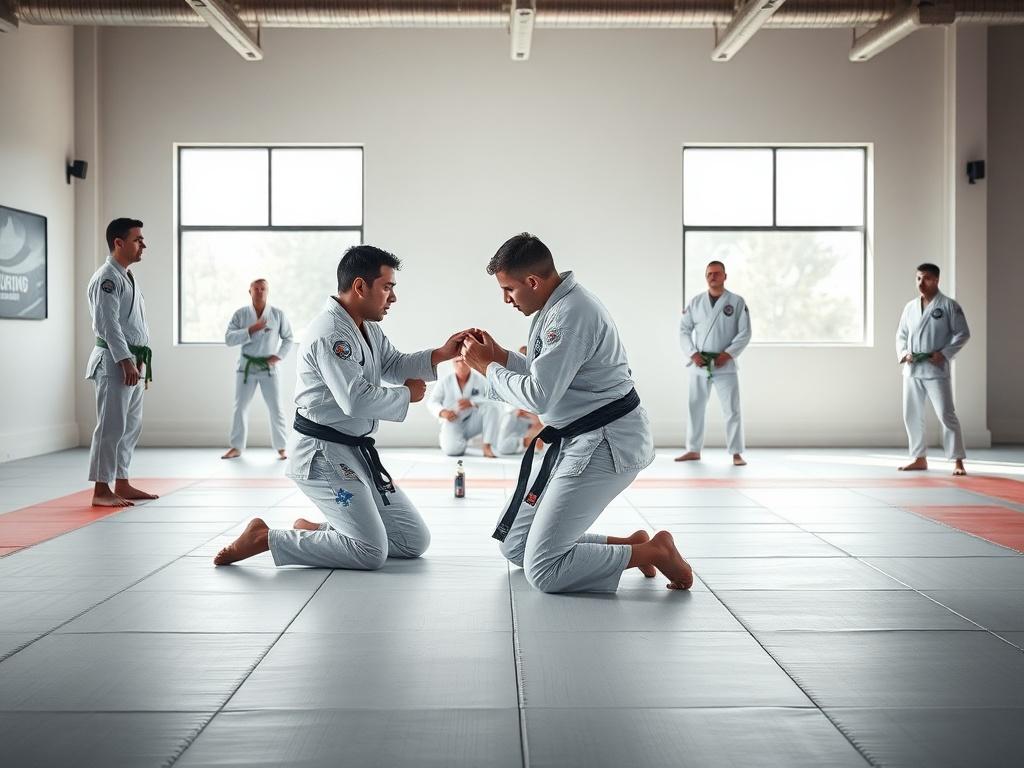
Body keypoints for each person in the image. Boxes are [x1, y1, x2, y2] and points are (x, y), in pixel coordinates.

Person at [462, 233, 693, 593]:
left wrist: (488, 368)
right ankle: (633, 547)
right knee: (514, 545)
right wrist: (501, 357)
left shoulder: (571, 313)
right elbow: (552, 376)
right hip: (578, 436)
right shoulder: (556, 306)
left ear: (533, 281)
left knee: (544, 571)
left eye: (508, 289)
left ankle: (656, 551)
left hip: (606, 441)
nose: (506, 299)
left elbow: (541, 395)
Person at [214, 245, 470, 568]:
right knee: (372, 552)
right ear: (361, 286)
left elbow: (394, 364)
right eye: (387, 287)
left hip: (352, 451)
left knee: (413, 539)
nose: (393, 298)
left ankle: (326, 530)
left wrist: (442, 354)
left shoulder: (366, 327)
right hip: (322, 454)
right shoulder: (331, 333)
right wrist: (408, 396)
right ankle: (265, 537)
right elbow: (355, 399)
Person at [85, 218, 159, 507]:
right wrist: (126, 360)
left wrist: (135, 359)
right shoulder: (107, 277)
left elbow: (133, 324)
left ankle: (123, 482)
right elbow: (108, 324)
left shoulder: (126, 275)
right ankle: (101, 490)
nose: (143, 244)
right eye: (137, 239)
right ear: (119, 243)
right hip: (114, 362)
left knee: (130, 426)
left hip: (132, 360)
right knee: (111, 426)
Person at [896, 263, 970, 476]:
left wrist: (944, 353)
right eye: (918, 278)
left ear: (937, 280)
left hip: (936, 369)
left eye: (926, 278)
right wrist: (903, 353)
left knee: (946, 414)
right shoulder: (910, 307)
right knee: (911, 414)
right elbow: (901, 334)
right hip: (912, 368)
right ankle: (919, 458)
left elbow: (963, 333)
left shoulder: (948, 305)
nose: (921, 282)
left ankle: (958, 461)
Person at [675, 261, 751, 466]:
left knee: (732, 409)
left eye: (717, 273)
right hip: (700, 364)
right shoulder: (696, 302)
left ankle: (736, 452)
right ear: (705, 276)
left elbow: (745, 333)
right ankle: (693, 449)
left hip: (725, 364)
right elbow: (683, 330)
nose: (713, 277)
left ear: (725, 276)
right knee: (695, 406)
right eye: (710, 274)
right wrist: (693, 354)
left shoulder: (736, 302)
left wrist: (728, 354)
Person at [222, 279, 295, 460]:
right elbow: (229, 339)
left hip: (268, 368)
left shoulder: (277, 314)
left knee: (276, 407)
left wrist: (278, 356)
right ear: (250, 291)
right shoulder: (241, 314)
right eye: (256, 288)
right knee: (240, 407)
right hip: (246, 366)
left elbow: (288, 338)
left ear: (268, 291)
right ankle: (236, 447)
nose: (260, 291)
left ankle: (281, 447)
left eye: (263, 289)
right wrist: (250, 330)